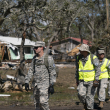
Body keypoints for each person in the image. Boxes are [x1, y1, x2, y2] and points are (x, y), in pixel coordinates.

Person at [25, 41, 56, 110]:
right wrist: (27, 81)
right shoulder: (34, 59)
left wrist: (52, 84)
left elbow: (52, 72)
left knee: (43, 102)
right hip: (36, 84)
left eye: (36, 48)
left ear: (42, 48)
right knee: (37, 104)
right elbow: (31, 70)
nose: (34, 49)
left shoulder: (48, 58)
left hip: (45, 84)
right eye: (34, 48)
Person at [75, 44, 101, 110]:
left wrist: (96, 80)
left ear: (85, 51)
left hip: (91, 81)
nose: (79, 50)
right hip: (82, 81)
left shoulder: (93, 58)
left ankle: (89, 108)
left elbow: (98, 69)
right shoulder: (79, 57)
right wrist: (77, 79)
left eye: (80, 49)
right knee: (81, 94)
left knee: (90, 97)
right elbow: (77, 70)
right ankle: (85, 104)